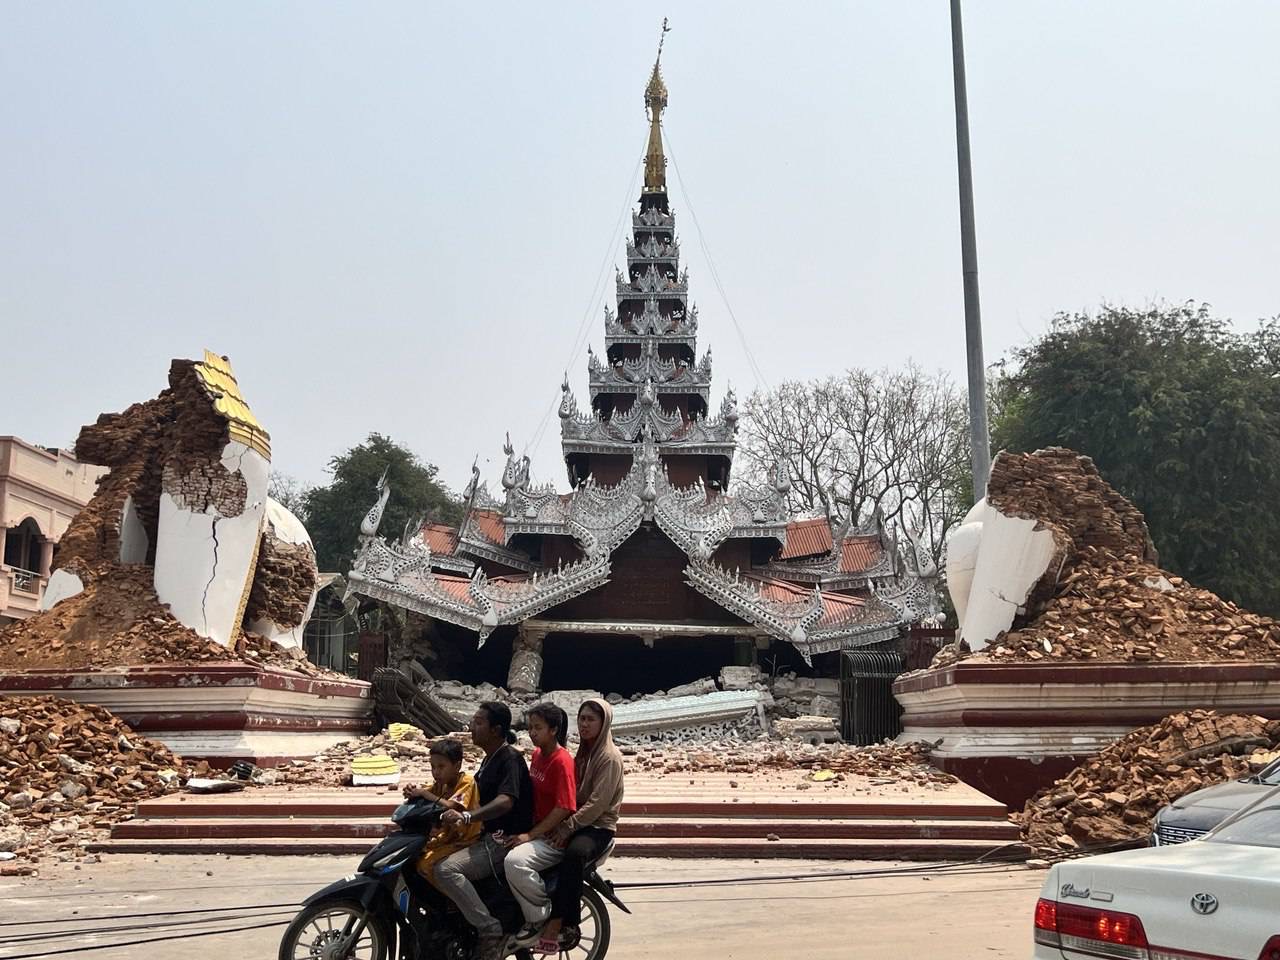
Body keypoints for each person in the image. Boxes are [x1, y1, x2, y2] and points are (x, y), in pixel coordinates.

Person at [434, 702, 533, 960]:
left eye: (479, 723)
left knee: (445, 869)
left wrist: (468, 816)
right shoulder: (489, 758)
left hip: (502, 840)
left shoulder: (510, 758)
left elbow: (506, 801)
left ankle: (489, 929)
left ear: (496, 730)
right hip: (482, 835)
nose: (472, 727)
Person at [544, 698, 625, 947]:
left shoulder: (608, 758)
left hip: (598, 827)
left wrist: (567, 826)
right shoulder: (583, 752)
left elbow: (597, 805)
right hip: (577, 819)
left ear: (604, 723)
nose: (585, 724)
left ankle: (563, 920)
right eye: (582, 719)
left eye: (591, 719)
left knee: (573, 854)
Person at [502, 703, 578, 956]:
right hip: (535, 828)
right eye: (530, 727)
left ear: (554, 730)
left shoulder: (562, 761)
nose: (533, 733)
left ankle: (539, 917)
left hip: (551, 837)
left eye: (538, 728)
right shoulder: (537, 754)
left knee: (515, 862)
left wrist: (529, 835)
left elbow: (565, 806)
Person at [402, 738, 482, 892]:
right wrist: (412, 791)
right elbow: (426, 791)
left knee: (426, 864)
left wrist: (424, 793)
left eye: (441, 767)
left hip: (465, 840)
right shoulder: (441, 783)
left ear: (457, 766)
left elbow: (452, 805)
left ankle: (449, 898)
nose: (436, 772)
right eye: (432, 767)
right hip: (446, 837)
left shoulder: (466, 781)